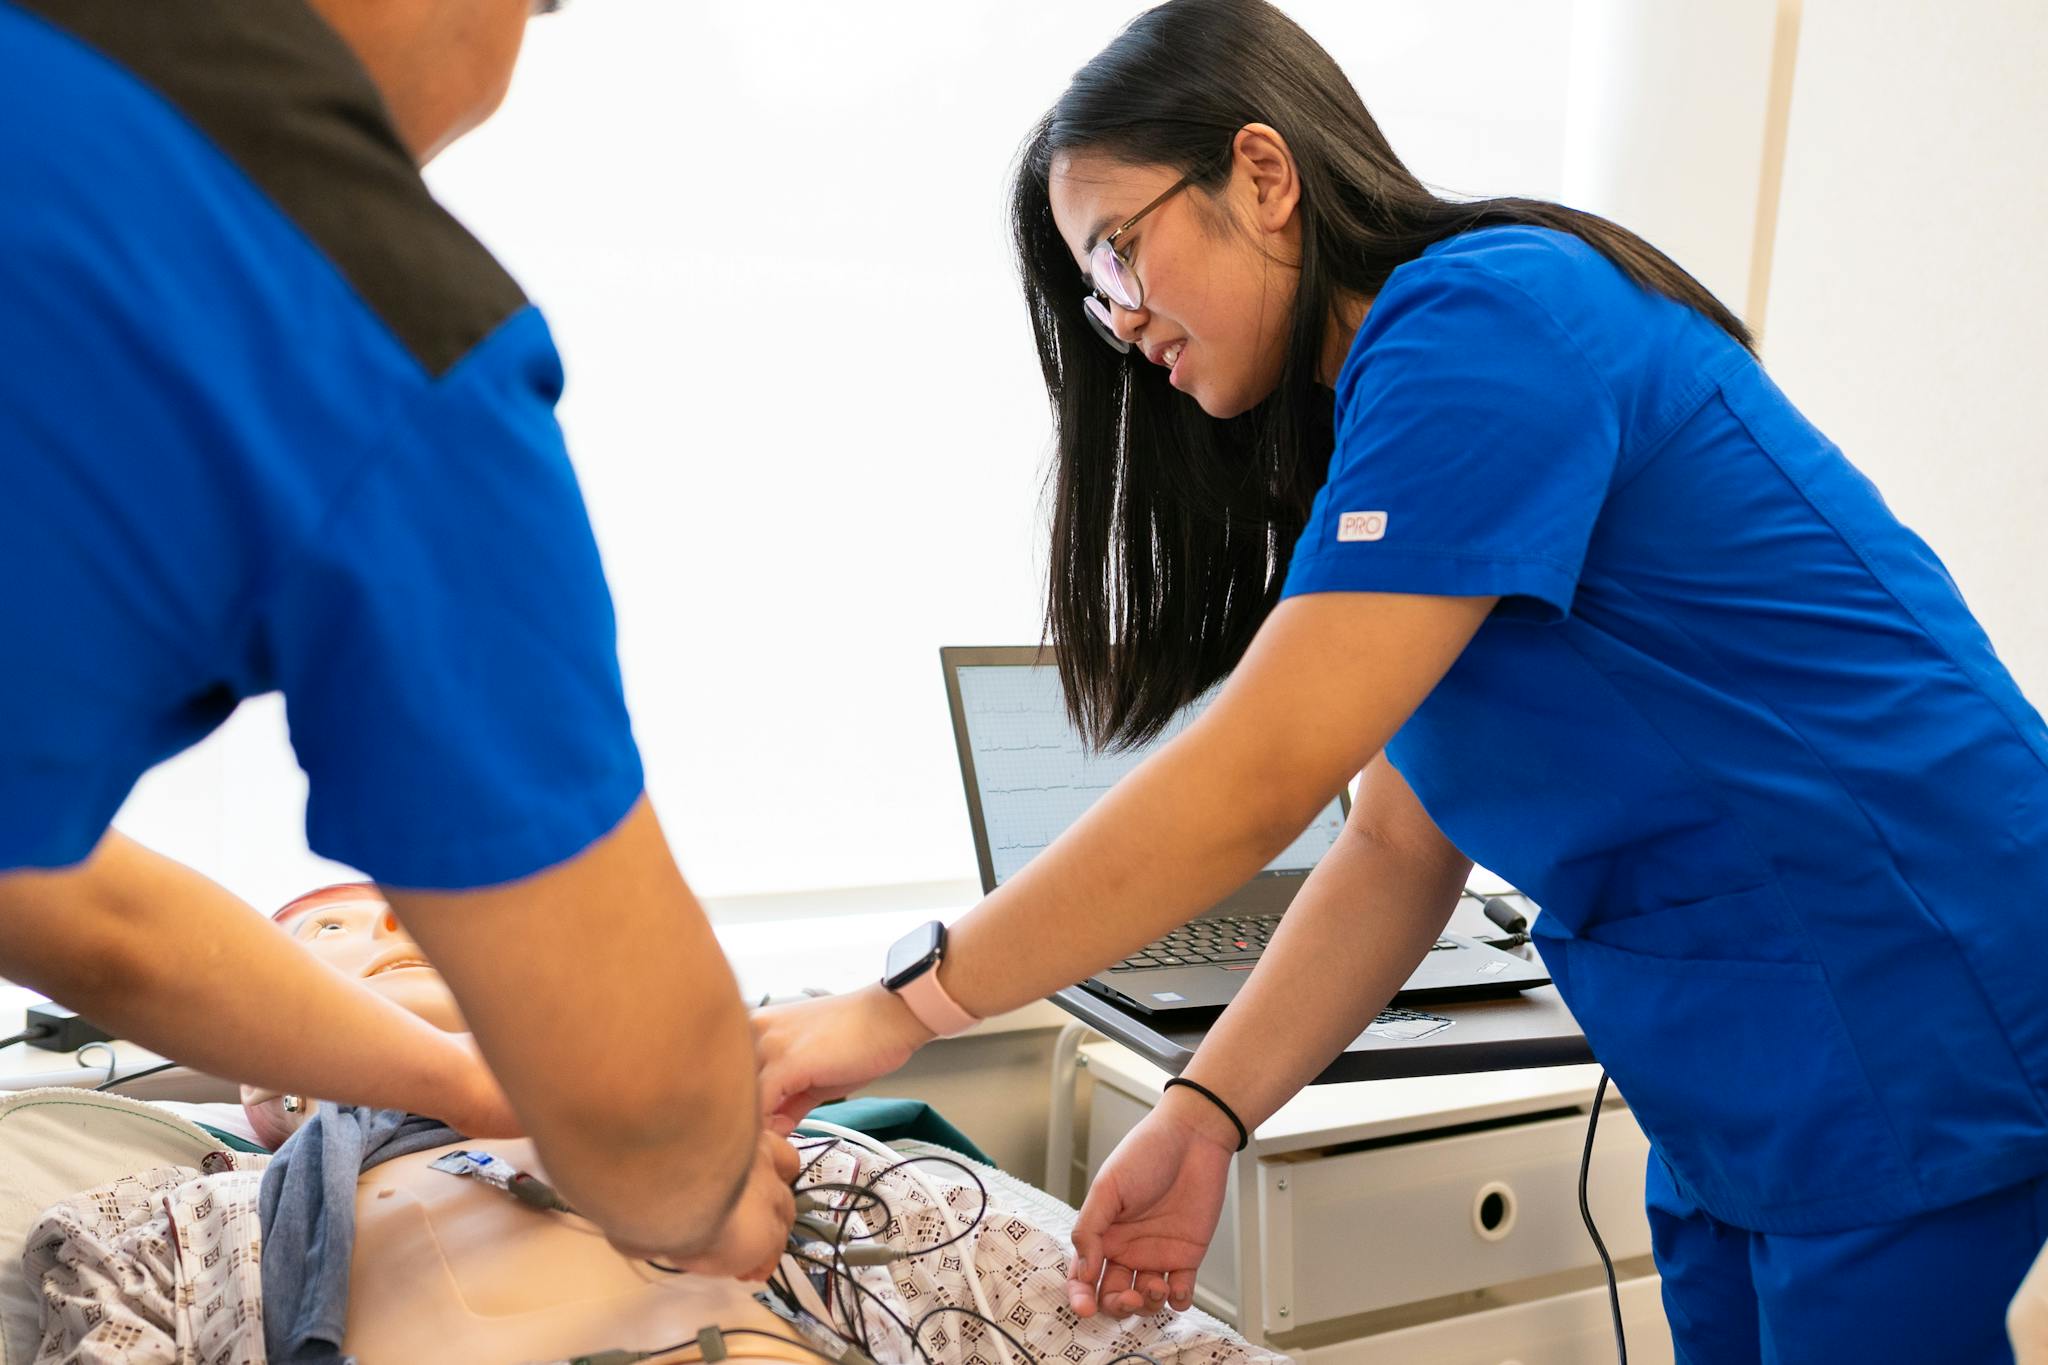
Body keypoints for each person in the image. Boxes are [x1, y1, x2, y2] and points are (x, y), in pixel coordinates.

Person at [753, 1, 2048, 1360]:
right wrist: (1204, 1114)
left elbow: (1261, 775)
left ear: (1263, 174)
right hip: (1750, 1030)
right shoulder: (1385, 419)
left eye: (1122, 253)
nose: (1125, 324)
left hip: (1902, 971)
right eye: (1100, 292)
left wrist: (906, 1006)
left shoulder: (1489, 320)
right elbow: (1392, 836)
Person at [0, 0, 786, 1273]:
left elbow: (79, 910)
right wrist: (695, 1174)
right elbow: (647, 1112)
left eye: (404, 926)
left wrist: (483, 1084)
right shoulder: (366, 321)